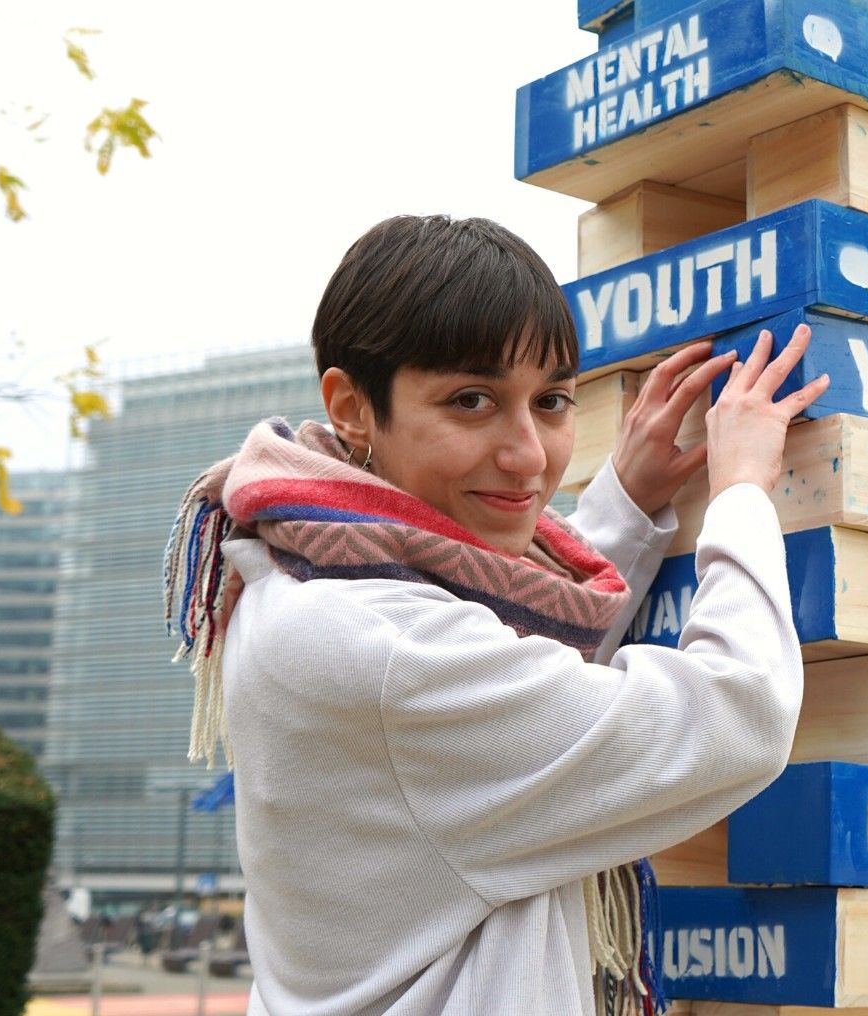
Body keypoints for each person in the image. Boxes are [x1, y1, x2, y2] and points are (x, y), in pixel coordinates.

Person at [163, 214, 828, 1015]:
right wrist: (743, 491)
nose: (526, 455)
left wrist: (626, 498)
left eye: (550, 402)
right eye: (471, 400)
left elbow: (501, 642)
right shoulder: (381, 646)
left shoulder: (299, 565)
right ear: (351, 406)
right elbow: (737, 716)